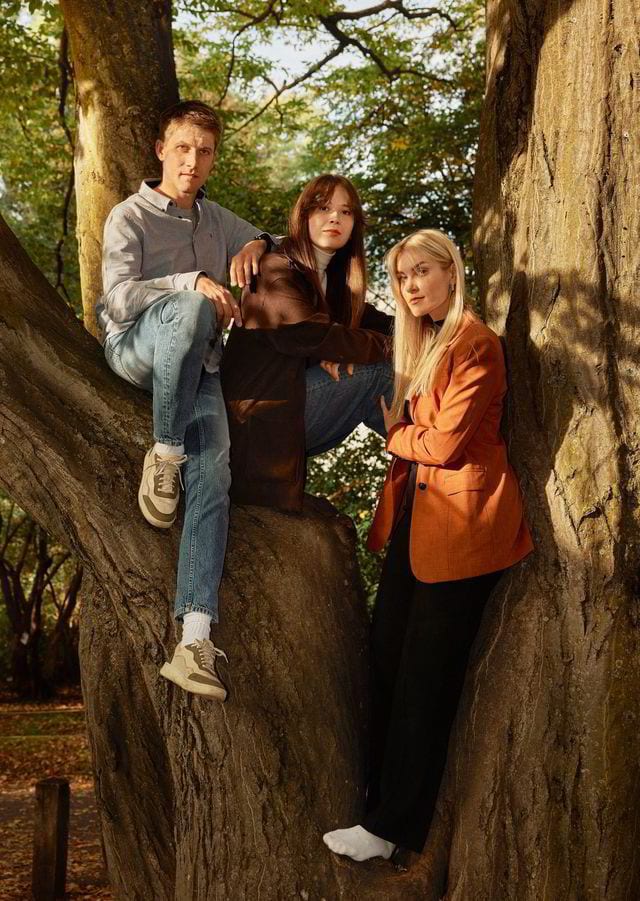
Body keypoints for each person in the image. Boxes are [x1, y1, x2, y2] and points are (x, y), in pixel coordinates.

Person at [322, 228, 533, 861]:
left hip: (469, 529)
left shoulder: (476, 345)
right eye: (402, 277)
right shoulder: (430, 342)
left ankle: (392, 830)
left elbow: (442, 445)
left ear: (451, 272)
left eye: (421, 272)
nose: (411, 286)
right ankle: (374, 808)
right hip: (418, 525)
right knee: (386, 661)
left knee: (425, 681)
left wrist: (396, 434)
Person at [97, 100, 277, 702]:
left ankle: (193, 639)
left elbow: (263, 237)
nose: (192, 161)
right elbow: (117, 300)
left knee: (217, 477)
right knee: (196, 306)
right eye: (182, 148)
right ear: (161, 150)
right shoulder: (129, 216)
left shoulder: (214, 218)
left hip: (198, 369)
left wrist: (258, 245)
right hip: (139, 349)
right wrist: (188, 284)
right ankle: (164, 453)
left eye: (203, 152)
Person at [221, 174, 393, 513]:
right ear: (304, 216)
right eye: (324, 208)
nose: (335, 218)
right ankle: (432, 456)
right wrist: (355, 350)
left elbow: (379, 325)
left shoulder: (333, 282)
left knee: (379, 361)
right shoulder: (274, 270)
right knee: (377, 372)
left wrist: (437, 327)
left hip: (290, 415)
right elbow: (315, 336)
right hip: (259, 428)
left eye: (346, 212)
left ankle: (420, 458)